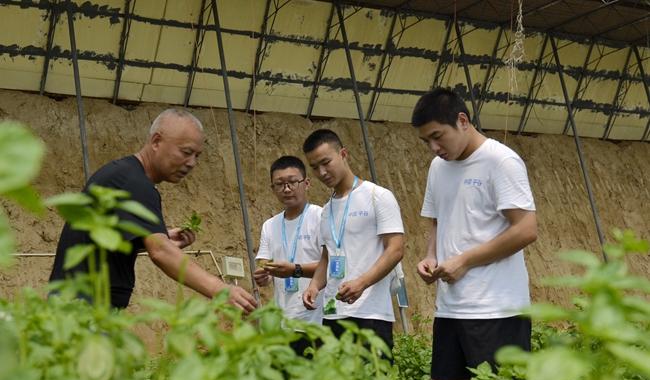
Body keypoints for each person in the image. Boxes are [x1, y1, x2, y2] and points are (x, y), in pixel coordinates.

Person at [49, 108, 257, 313]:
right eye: (186, 152)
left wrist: (161, 237)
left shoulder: (124, 175)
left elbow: (109, 241)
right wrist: (220, 290)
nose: (192, 163)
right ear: (156, 141)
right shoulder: (135, 183)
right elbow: (160, 253)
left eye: (197, 155)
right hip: (82, 308)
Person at [411, 88, 537, 380]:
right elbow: (439, 220)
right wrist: (431, 256)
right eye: (427, 141)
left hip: (497, 307)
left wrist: (465, 260)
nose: (434, 148)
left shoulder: (500, 161)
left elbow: (525, 228)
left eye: (438, 137)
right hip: (452, 306)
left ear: (462, 120)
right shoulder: (438, 167)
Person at [301, 129, 404, 351]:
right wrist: (314, 286)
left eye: (326, 162)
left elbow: (395, 250)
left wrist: (362, 282)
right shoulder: (326, 210)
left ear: (344, 154)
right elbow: (327, 257)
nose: (322, 172)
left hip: (370, 313)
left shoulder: (378, 196)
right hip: (332, 313)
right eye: (314, 167)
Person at [253, 156, 323, 353]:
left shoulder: (321, 217)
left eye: (292, 182)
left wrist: (295, 270)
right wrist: (262, 275)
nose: (286, 189)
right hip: (285, 323)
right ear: (272, 189)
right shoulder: (269, 225)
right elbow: (263, 266)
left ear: (306, 183)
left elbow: (334, 265)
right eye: (279, 184)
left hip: (318, 319)